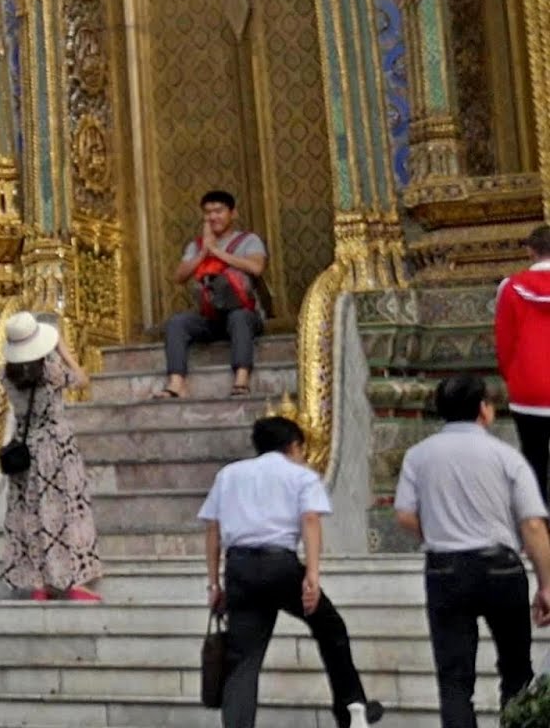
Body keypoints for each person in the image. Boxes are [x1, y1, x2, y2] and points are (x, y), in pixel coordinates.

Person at [393, 373, 550, 728]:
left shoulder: (418, 456)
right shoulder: (506, 456)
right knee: (516, 670)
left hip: (445, 570)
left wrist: (437, 533)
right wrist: (546, 585)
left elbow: (404, 515)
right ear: (483, 409)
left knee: (454, 679)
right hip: (501, 569)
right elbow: (533, 524)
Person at [200, 415, 378, 728]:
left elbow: (213, 529)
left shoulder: (228, 475)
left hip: (240, 568)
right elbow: (310, 520)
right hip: (279, 566)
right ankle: (352, 708)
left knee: (243, 659)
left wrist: (214, 584)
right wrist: (312, 575)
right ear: (294, 446)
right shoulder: (301, 476)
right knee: (330, 628)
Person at [0, 311, 102, 603]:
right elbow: (82, 379)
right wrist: (63, 350)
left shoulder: (5, 375)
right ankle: (71, 580)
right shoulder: (51, 371)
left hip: (24, 448)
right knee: (64, 511)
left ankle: (38, 581)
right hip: (56, 447)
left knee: (30, 512)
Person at [162, 188, 269, 400]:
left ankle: (241, 379)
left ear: (233, 213)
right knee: (177, 323)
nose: (213, 217)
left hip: (244, 314)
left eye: (218, 211)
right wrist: (204, 251)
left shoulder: (249, 240)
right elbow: (179, 276)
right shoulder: (197, 245)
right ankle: (177, 383)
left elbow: (256, 268)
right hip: (211, 317)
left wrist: (218, 252)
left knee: (239, 318)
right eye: (208, 212)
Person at [493, 225, 550, 504]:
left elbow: (504, 341)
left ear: (530, 251)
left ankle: (538, 520)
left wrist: (512, 377)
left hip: (528, 390)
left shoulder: (511, 288)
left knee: (534, 460)